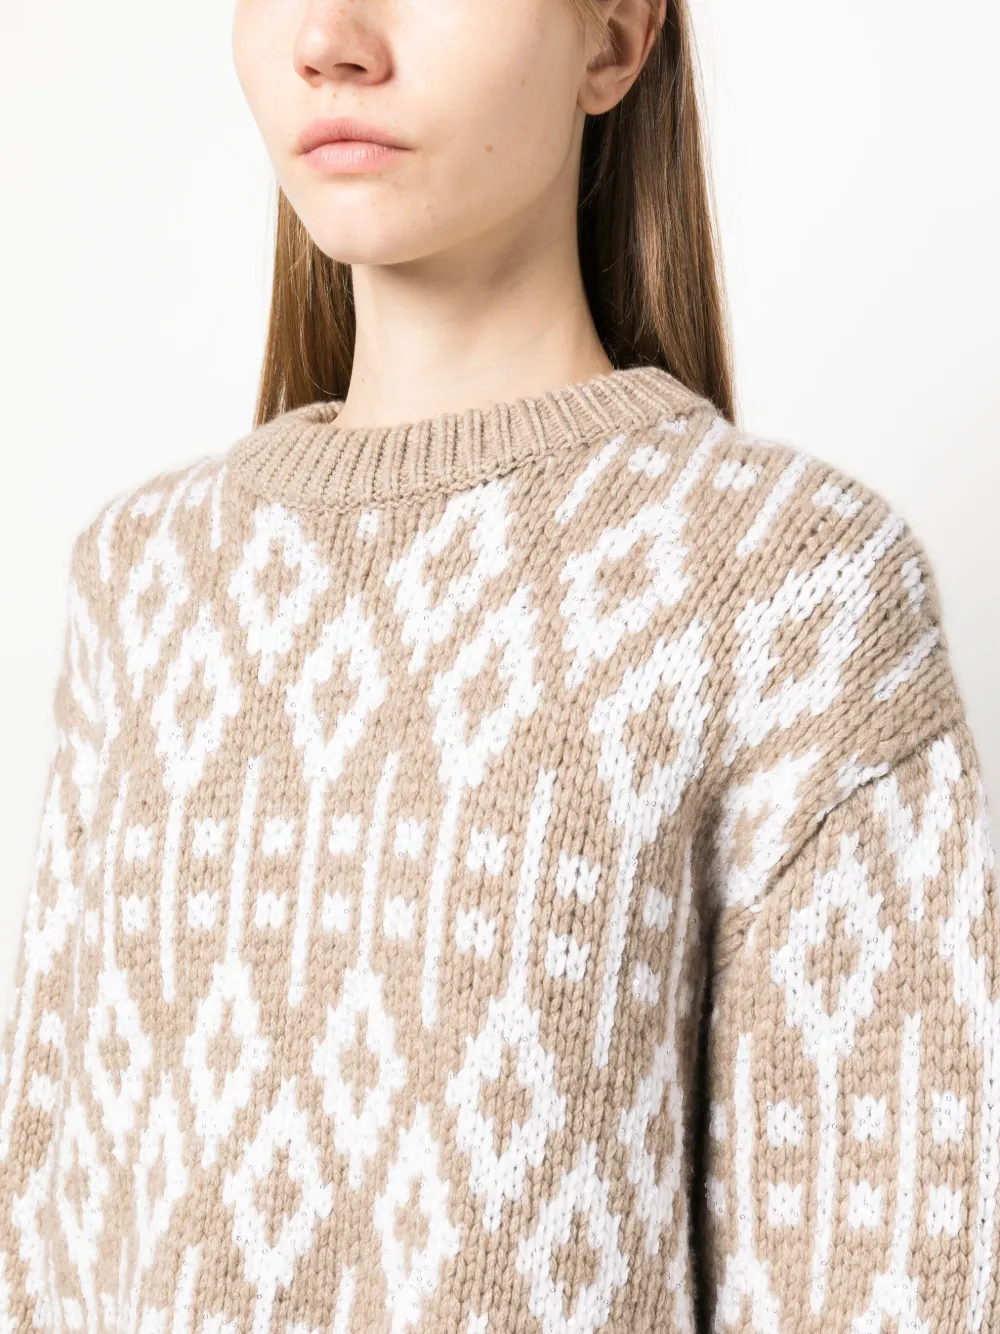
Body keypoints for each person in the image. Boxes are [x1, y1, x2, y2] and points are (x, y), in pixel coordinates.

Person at [1, 1, 996, 1332]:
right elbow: (46, 1253)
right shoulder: (142, 585)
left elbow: (887, 1285)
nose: (330, 38)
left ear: (614, 39)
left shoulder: (790, 591)